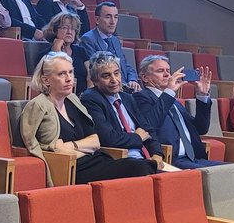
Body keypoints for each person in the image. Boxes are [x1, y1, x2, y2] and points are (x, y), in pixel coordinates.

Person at [20, 51, 157, 185]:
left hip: (96, 160)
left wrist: (71, 145)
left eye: (70, 72)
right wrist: (78, 147)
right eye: (62, 74)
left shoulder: (72, 100)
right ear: (46, 80)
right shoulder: (39, 105)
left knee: (149, 168)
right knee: (139, 168)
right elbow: (44, 147)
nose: (69, 78)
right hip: (72, 169)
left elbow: (95, 141)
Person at [81, 53, 174, 171]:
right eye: (106, 76)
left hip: (146, 160)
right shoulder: (91, 99)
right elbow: (108, 138)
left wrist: (157, 154)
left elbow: (148, 129)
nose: (114, 80)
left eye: (116, 73)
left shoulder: (127, 98)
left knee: (182, 178)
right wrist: (137, 137)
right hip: (121, 160)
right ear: (95, 80)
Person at [133, 56, 222, 169]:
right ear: (144, 77)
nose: (167, 75)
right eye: (160, 71)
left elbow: (201, 129)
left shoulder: (174, 102)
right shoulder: (140, 98)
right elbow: (150, 125)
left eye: (168, 71)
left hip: (195, 158)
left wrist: (202, 95)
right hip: (170, 160)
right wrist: (169, 92)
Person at [79, 1, 140, 89]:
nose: (113, 22)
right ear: (97, 20)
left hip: (125, 87)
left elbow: (125, 65)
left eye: (115, 17)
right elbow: (96, 71)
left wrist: (133, 80)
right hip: (108, 88)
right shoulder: (88, 39)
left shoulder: (115, 40)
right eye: (108, 17)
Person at [33, 11, 89, 93]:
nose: (69, 32)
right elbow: (54, 77)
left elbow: (90, 76)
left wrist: (89, 94)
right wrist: (57, 52)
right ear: (55, 30)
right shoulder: (45, 56)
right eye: (65, 28)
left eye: (73, 29)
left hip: (82, 97)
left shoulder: (81, 51)